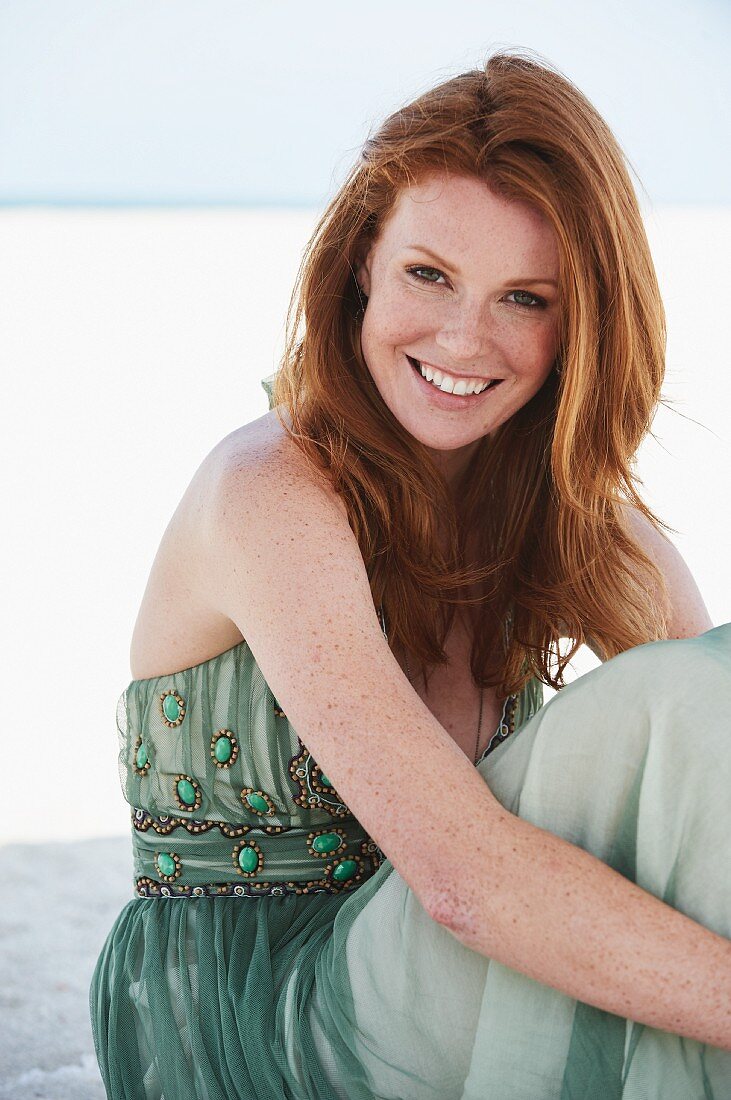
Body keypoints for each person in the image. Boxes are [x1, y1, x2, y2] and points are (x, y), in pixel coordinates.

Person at [89, 49, 731, 1099]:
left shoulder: (567, 505)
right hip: (257, 1017)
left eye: (523, 297)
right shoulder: (267, 492)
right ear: (359, 263)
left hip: (442, 984)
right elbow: (467, 883)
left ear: (579, 325)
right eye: (428, 273)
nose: (462, 337)